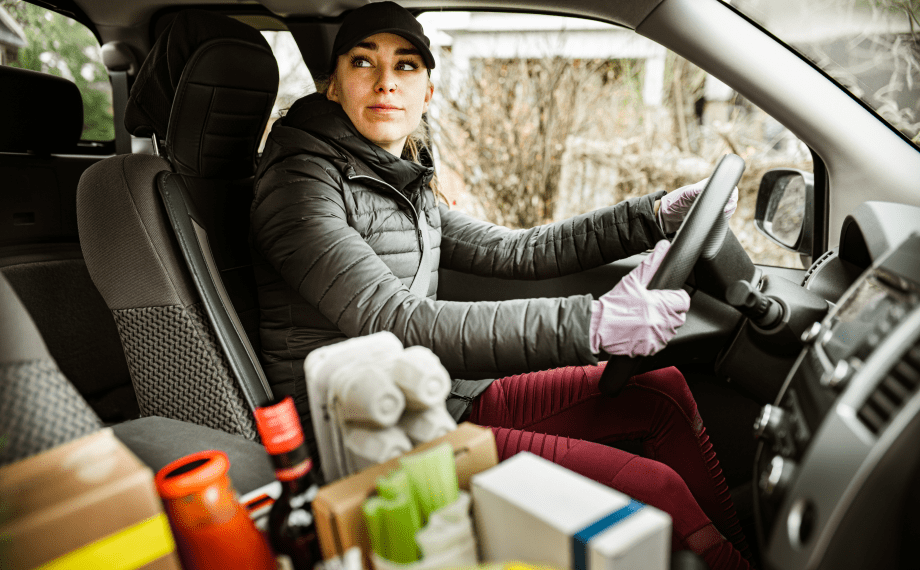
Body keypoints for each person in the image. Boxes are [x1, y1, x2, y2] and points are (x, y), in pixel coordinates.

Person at [250, 3, 748, 568]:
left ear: (428, 92)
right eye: (364, 62)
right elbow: (399, 319)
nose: (386, 81)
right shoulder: (297, 185)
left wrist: (651, 217)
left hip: (436, 394)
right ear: (333, 86)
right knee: (652, 488)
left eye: (407, 65)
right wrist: (595, 324)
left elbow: (513, 249)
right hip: (374, 431)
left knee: (664, 392)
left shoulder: (397, 176)